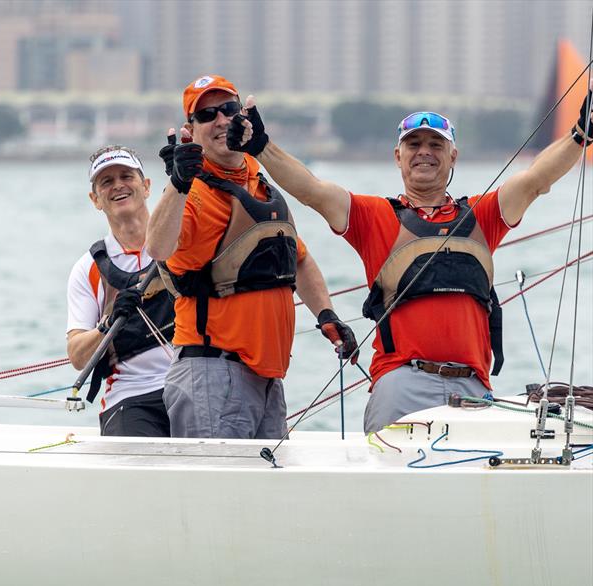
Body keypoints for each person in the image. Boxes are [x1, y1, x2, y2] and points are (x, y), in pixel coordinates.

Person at [227, 88, 593, 433]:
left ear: (453, 157)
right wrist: (261, 146)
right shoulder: (374, 216)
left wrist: (581, 133)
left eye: (436, 144)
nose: (424, 151)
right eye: (413, 144)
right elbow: (312, 190)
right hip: (400, 383)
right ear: (397, 156)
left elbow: (535, 179)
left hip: (472, 388)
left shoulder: (484, 215)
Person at [146, 74, 356, 439]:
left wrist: (326, 315)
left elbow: (299, 260)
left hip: (268, 377)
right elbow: (158, 248)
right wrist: (179, 182)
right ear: (189, 131)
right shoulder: (190, 192)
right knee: (219, 493)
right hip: (213, 373)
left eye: (228, 109)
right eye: (207, 114)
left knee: (265, 494)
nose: (222, 120)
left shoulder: (259, 184)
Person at [66, 145, 174, 437]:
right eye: (106, 182)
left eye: (126, 176)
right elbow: (77, 355)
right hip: (130, 395)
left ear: (147, 186)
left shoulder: (184, 241)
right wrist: (108, 322)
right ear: (95, 199)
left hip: (191, 382)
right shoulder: (88, 268)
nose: (118, 186)